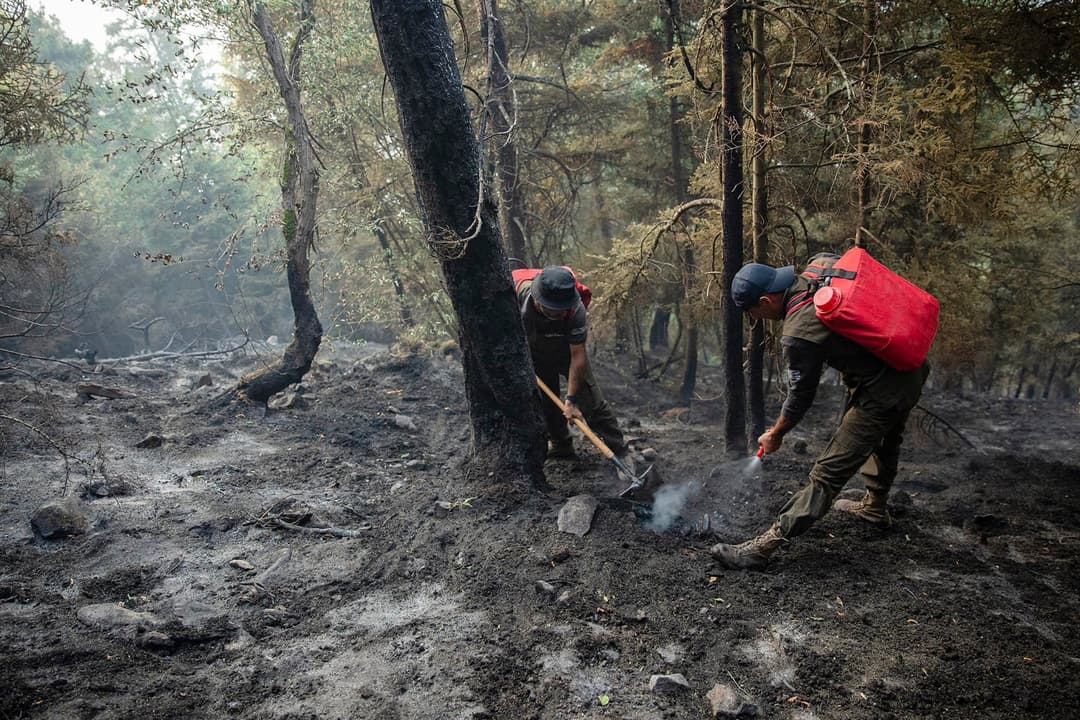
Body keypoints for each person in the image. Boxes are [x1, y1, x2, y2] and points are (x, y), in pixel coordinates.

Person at [712, 257, 930, 569]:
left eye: (751, 312)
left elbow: (800, 397)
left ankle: (763, 546)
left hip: (885, 388)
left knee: (828, 472)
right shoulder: (820, 266)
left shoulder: (798, 331)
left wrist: (776, 434)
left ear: (765, 300)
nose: (752, 319)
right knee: (885, 439)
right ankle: (875, 508)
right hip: (909, 366)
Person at [516, 266, 629, 461]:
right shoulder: (518, 295)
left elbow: (578, 355)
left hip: (567, 352)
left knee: (591, 400)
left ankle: (620, 452)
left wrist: (571, 399)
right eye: (555, 311)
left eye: (563, 309)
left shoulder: (575, 308)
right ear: (538, 301)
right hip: (534, 354)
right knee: (546, 403)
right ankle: (561, 445)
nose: (561, 314)